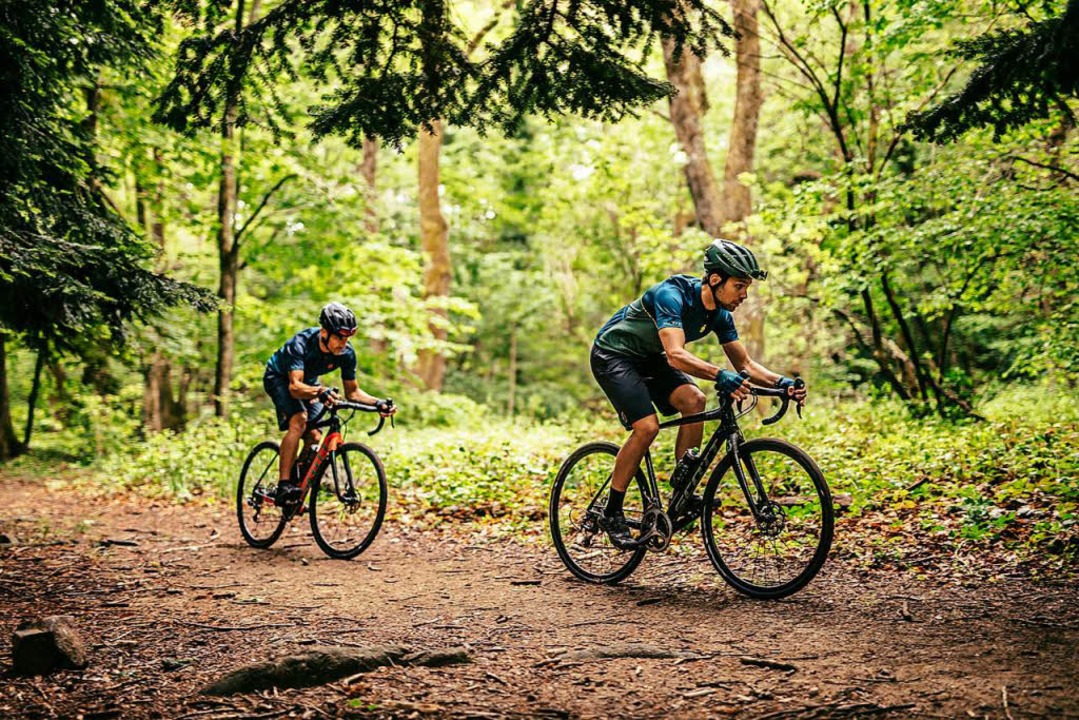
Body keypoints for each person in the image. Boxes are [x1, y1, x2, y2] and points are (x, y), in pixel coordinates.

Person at [590, 238, 807, 548]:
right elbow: (676, 355)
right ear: (715, 279)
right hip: (614, 355)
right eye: (739, 286)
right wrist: (721, 375)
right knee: (647, 426)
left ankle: (682, 487)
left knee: (695, 400)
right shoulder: (672, 295)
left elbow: (744, 363)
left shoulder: (719, 314)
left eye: (746, 287)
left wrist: (782, 383)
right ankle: (612, 510)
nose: (744, 295)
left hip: (652, 358)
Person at [263, 301, 395, 504]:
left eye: (348, 337)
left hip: (310, 383)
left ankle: (298, 484)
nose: (343, 343)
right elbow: (295, 387)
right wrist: (320, 391)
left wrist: (378, 404)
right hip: (280, 378)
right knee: (299, 420)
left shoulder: (347, 353)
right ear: (324, 332)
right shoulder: (300, 344)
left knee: (315, 435)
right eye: (339, 337)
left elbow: (353, 392)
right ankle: (284, 485)